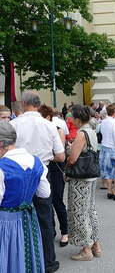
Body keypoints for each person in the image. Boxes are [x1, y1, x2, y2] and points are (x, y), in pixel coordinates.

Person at [10, 91, 65, 273]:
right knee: (45, 217)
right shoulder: (49, 125)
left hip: (18, 174)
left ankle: (23, 260)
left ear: (24, 104)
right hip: (43, 173)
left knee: (19, 217)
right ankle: (48, 262)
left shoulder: (13, 124)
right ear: (38, 105)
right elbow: (60, 155)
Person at [0, 122, 51, 273]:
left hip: (5, 222)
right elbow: (44, 193)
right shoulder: (36, 161)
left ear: (1, 143)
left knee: (8, 257)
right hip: (28, 218)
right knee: (26, 254)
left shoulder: (2, 167)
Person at [66, 105, 102, 260]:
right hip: (91, 176)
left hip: (81, 178)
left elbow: (73, 158)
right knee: (90, 210)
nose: (71, 120)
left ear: (78, 119)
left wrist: (69, 151)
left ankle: (86, 249)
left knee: (80, 212)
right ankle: (96, 245)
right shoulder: (92, 131)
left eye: (72, 118)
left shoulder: (82, 133)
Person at [38, 105, 69, 247]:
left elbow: (60, 156)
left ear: (49, 117)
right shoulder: (38, 132)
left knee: (57, 201)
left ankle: (65, 231)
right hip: (44, 169)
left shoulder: (58, 130)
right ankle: (50, 230)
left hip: (56, 169)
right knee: (46, 202)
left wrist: (46, 156)